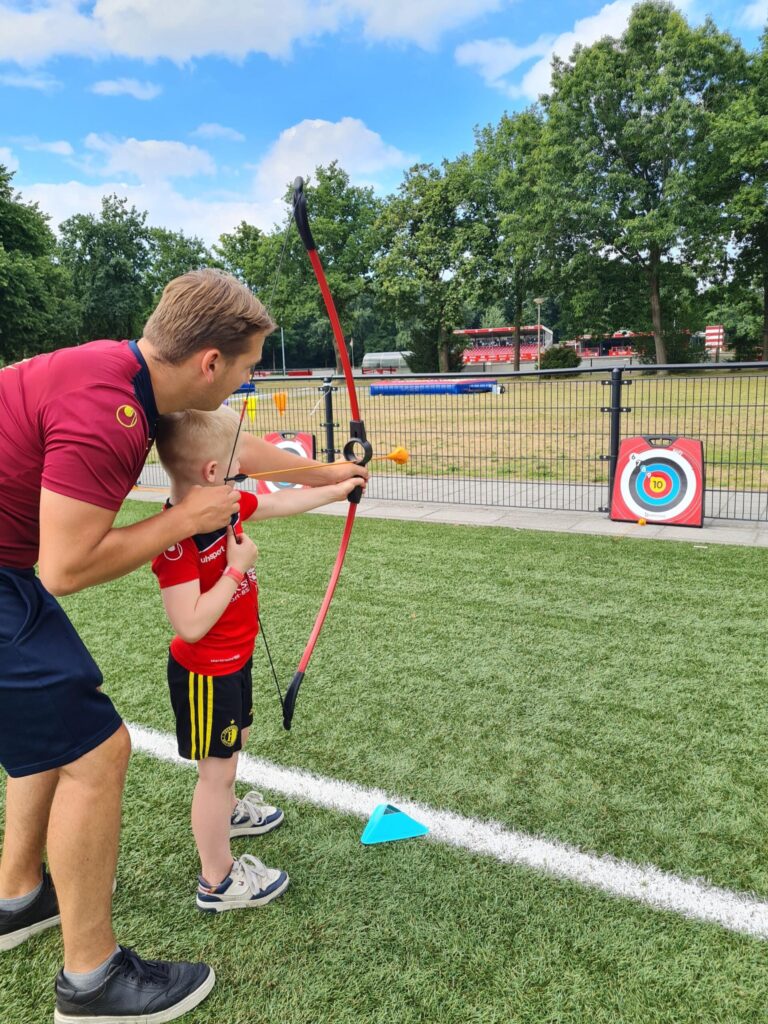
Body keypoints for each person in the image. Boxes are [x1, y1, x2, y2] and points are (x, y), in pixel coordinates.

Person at [0, 269, 368, 1024]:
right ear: (209, 362)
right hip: (13, 575)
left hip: (7, 571)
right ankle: (93, 980)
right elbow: (66, 568)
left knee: (57, 740)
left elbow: (227, 447)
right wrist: (186, 518)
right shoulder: (113, 410)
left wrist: (329, 473)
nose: (243, 382)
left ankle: (17, 897)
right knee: (96, 752)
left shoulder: (124, 372)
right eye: (244, 368)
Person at [151, 407, 364, 913]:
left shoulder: (225, 507)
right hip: (205, 673)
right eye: (239, 467)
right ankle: (217, 881)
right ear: (211, 474)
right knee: (216, 772)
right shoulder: (176, 540)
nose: (244, 476)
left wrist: (339, 489)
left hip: (234, 660)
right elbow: (191, 623)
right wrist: (236, 570)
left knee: (236, 744)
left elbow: (280, 505)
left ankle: (228, 813)